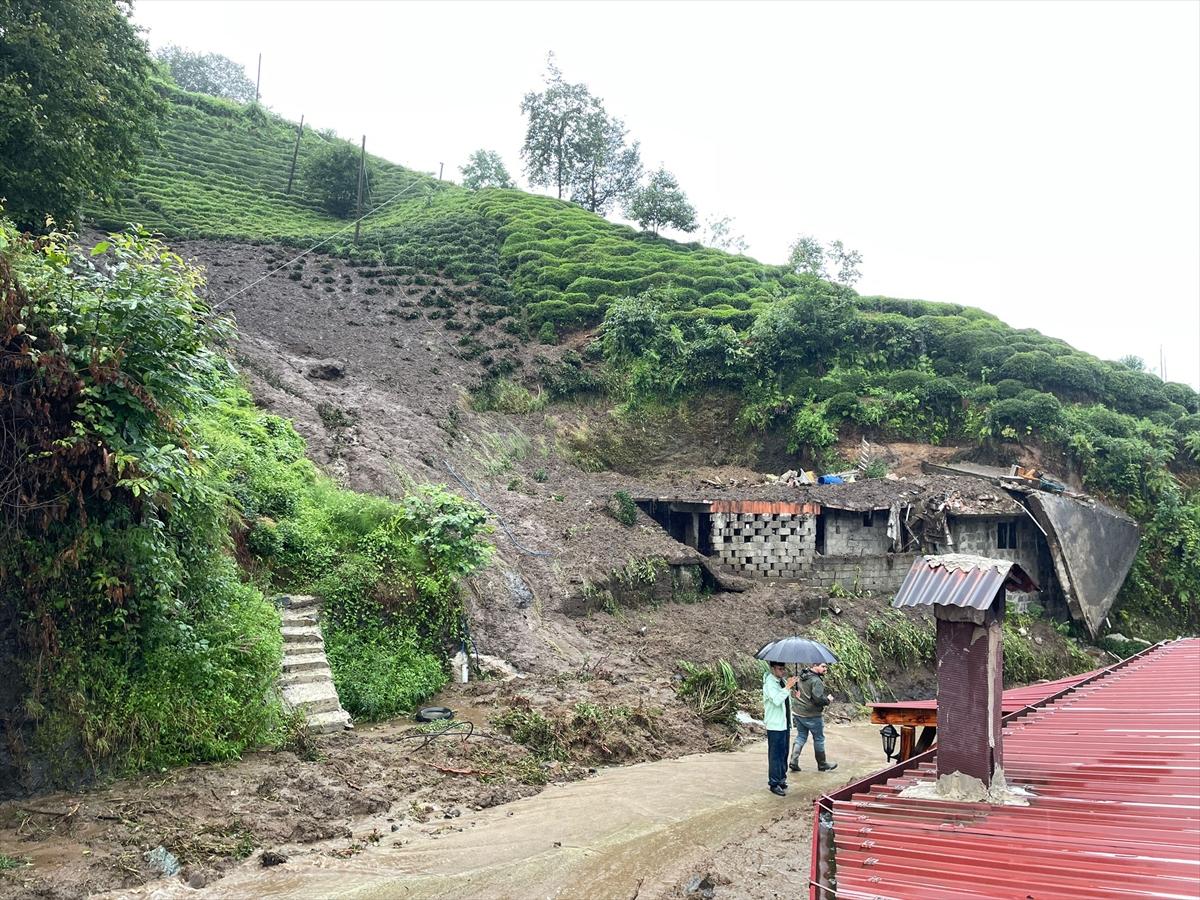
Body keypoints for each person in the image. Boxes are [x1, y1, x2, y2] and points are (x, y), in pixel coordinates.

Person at [789, 662, 838, 773]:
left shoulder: (802, 675)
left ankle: (793, 760)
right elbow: (817, 699)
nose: (826, 669)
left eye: (826, 667)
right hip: (812, 714)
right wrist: (828, 700)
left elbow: (798, 693)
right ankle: (822, 764)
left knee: (801, 736)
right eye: (823, 666)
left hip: (798, 712)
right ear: (814, 665)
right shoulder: (816, 681)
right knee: (819, 738)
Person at [762, 660, 796, 796]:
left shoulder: (780, 681)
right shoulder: (770, 683)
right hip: (775, 725)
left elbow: (785, 700)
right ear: (773, 668)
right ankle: (774, 783)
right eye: (780, 669)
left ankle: (782, 778)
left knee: (784, 753)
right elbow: (776, 700)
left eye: (784, 669)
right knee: (775, 755)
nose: (783, 671)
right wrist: (787, 687)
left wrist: (792, 693)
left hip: (784, 723)